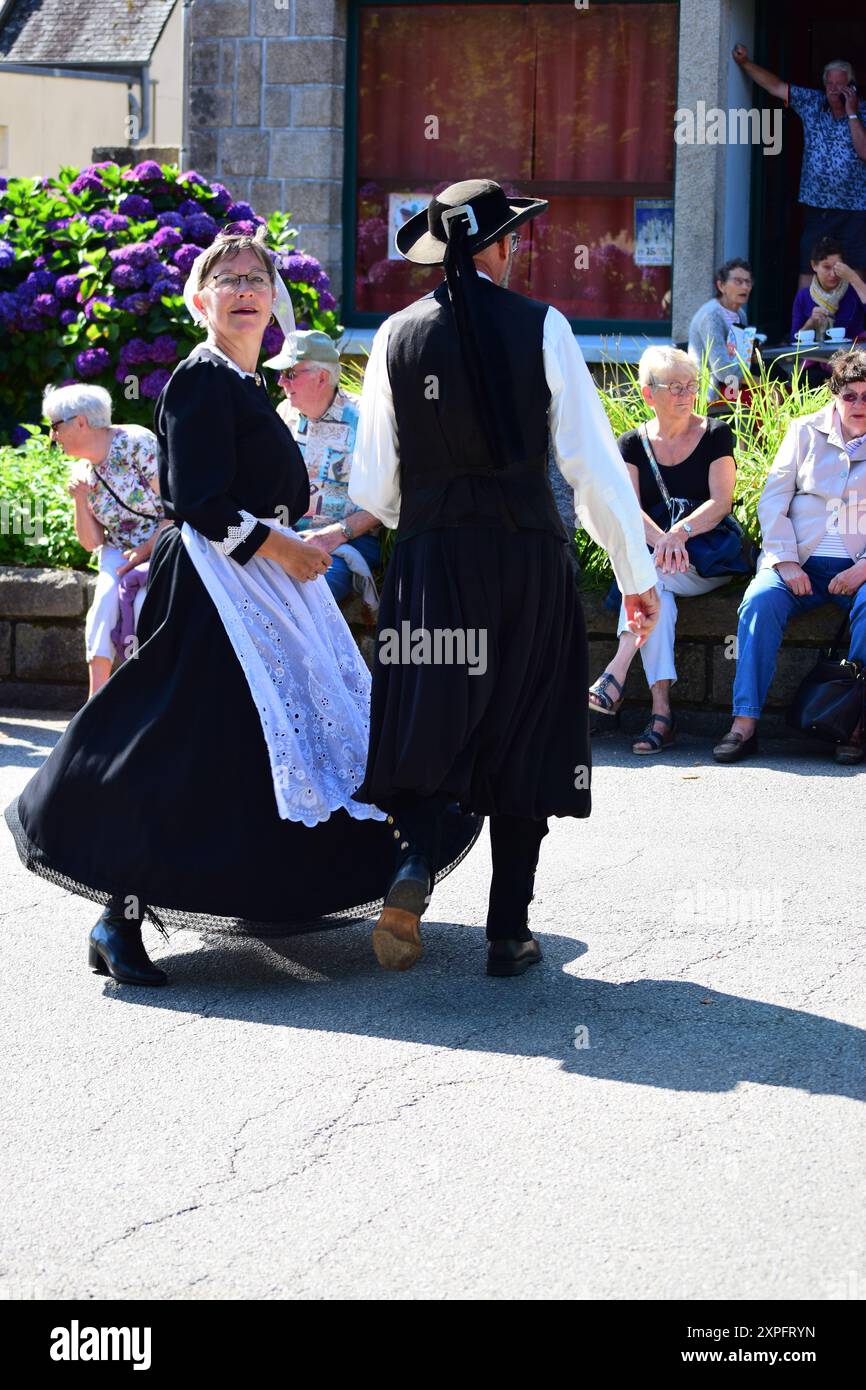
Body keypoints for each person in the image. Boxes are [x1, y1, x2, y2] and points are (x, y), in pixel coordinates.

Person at [4, 226, 480, 987]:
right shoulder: (200, 379)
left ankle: (231, 893)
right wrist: (284, 550)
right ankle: (115, 914)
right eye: (227, 278)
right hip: (213, 588)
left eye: (257, 275)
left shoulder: (242, 383)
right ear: (202, 299)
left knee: (246, 752)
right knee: (181, 746)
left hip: (261, 584)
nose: (245, 287)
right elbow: (196, 501)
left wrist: (292, 544)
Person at [348, 178, 659, 978]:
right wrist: (636, 572)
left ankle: (413, 864)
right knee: (527, 730)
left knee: (427, 715)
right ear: (494, 246)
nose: (515, 250)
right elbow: (591, 465)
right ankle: (508, 931)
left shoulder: (394, 337)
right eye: (511, 238)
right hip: (524, 560)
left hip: (429, 562)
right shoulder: (543, 325)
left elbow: (375, 490)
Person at [713, 348, 866, 766]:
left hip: (860, 570)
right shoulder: (804, 432)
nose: (859, 405)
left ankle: (853, 723)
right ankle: (744, 724)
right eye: (850, 395)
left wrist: (862, 571)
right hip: (798, 563)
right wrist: (786, 561)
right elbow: (773, 500)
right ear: (834, 394)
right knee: (759, 602)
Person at [588, 348, 737, 753]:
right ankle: (661, 715)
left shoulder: (716, 434)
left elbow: (721, 502)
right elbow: (628, 509)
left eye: (690, 385)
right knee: (658, 593)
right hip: (662, 562)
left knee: (645, 577)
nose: (686, 393)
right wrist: (663, 542)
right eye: (674, 386)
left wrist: (679, 534)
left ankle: (615, 674)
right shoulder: (632, 443)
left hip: (707, 558)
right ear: (648, 393)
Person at [44, 383, 168, 698]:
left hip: (163, 542)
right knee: (103, 604)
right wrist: (79, 499)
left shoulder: (137, 443)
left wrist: (144, 550)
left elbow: (176, 507)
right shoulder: (83, 469)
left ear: (81, 422)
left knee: (142, 605)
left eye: (56, 426)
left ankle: (145, 699)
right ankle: (95, 702)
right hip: (119, 550)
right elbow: (91, 542)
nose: (53, 436)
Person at [265, 330, 382, 610]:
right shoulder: (285, 414)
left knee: (306, 591)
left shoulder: (367, 420)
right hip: (291, 539)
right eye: (280, 374)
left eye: (290, 374)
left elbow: (389, 500)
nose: (281, 382)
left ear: (322, 377)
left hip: (348, 543)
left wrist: (335, 534)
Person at [733, 47, 866, 287]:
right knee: (809, 265)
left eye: (841, 84)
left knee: (855, 270)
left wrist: (852, 114)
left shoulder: (863, 111)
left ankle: (859, 324)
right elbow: (776, 86)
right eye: (830, 84)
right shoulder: (812, 102)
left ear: (852, 86)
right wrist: (745, 64)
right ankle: (803, 324)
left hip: (853, 209)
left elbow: (864, 152)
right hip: (817, 208)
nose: (835, 89)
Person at [790, 236, 866, 387]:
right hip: (816, 362)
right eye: (826, 267)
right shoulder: (804, 297)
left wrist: (853, 277)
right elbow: (794, 340)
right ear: (814, 265)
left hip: (851, 361)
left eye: (837, 267)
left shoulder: (853, 291)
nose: (832, 274)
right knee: (806, 382)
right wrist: (810, 323)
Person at [687, 259, 758, 405]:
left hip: (731, 385)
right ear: (721, 285)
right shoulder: (711, 316)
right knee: (768, 395)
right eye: (738, 281)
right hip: (711, 391)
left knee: (782, 387)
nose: (745, 287)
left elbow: (738, 354)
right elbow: (722, 370)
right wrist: (760, 382)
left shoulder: (740, 314)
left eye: (748, 282)